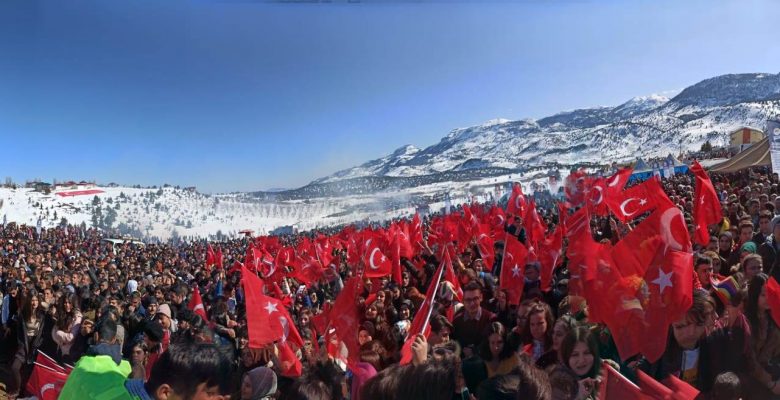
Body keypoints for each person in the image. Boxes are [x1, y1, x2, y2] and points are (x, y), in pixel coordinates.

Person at [745, 273, 780, 398]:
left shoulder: (774, 317)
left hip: (773, 372)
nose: (768, 299)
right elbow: (750, 359)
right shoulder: (746, 320)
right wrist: (770, 383)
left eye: (770, 294)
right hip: (753, 380)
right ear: (755, 295)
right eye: (763, 295)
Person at [8, 289, 45, 398]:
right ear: (29, 301)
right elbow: (19, 331)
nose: (34, 303)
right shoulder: (23, 314)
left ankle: (24, 392)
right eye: (32, 300)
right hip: (24, 342)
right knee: (15, 367)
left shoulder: (42, 314)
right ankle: (17, 389)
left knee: (29, 371)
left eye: (36, 300)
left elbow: (42, 332)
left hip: (35, 343)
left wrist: (37, 344)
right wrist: (21, 345)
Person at [452, 282, 495, 357]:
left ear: (481, 297)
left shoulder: (490, 319)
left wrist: (475, 351)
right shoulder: (457, 321)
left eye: (475, 299)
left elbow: (495, 345)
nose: (472, 303)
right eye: (468, 300)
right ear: (463, 301)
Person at [559, 326, 603, 400]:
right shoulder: (557, 384)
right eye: (575, 354)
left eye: (587, 353)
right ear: (566, 357)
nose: (581, 360)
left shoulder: (603, 374)